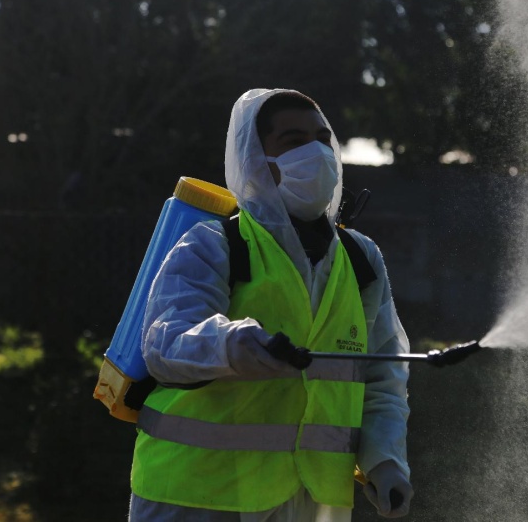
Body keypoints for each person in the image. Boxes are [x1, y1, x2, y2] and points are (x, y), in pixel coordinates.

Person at [128, 88, 413, 521]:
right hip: (196, 498)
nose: (316, 152)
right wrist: (235, 344)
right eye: (294, 141)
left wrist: (386, 461)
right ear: (257, 159)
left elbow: (382, 377)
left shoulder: (361, 260)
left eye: (322, 138)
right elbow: (165, 345)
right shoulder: (214, 244)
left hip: (310, 505)